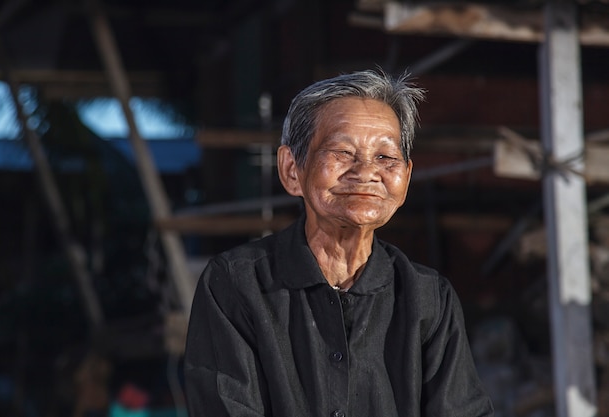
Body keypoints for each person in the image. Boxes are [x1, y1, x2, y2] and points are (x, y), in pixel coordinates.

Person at [183, 69, 494, 416]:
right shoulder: (236, 285)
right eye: (342, 152)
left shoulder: (429, 299)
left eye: (385, 157)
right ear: (291, 170)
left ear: (404, 179)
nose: (365, 172)